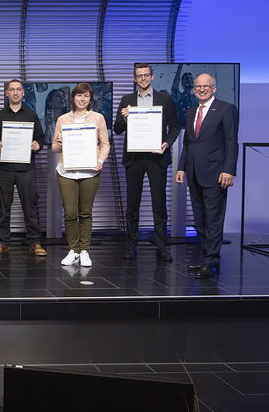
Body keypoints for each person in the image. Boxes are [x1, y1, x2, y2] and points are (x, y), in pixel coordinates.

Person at [114, 63, 180, 261]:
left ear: (152, 77)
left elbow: (175, 127)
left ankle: (161, 247)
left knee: (159, 204)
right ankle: (130, 245)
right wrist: (124, 117)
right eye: (138, 76)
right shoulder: (127, 100)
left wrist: (166, 144)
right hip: (134, 158)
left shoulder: (165, 99)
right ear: (134, 79)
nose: (142, 79)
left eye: (146, 75)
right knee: (132, 205)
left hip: (156, 157)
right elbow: (117, 130)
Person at [175, 73, 238, 279]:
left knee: (213, 220)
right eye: (198, 86)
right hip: (193, 173)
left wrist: (229, 170)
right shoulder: (191, 110)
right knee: (200, 221)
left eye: (206, 86)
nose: (202, 89)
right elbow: (188, 143)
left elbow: (231, 142)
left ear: (214, 88)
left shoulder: (227, 109)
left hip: (216, 174)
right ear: (194, 89)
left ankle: (212, 261)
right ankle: (206, 258)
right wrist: (181, 167)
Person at [51, 83, 110, 267]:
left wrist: (100, 161)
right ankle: (73, 250)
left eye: (86, 96)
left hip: (90, 172)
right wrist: (60, 142)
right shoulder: (62, 119)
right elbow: (54, 148)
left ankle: (84, 250)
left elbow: (105, 144)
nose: (82, 99)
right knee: (70, 213)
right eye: (79, 95)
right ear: (73, 98)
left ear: (90, 99)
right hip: (66, 171)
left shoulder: (98, 118)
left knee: (85, 213)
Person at [0, 79, 46, 256]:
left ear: (23, 93)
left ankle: (34, 242)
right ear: (7, 93)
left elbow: (41, 138)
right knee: (3, 208)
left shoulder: (31, 115)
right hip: (3, 168)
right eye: (11, 90)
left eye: (18, 89)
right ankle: (3, 242)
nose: (15, 93)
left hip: (26, 168)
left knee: (30, 207)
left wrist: (37, 145)